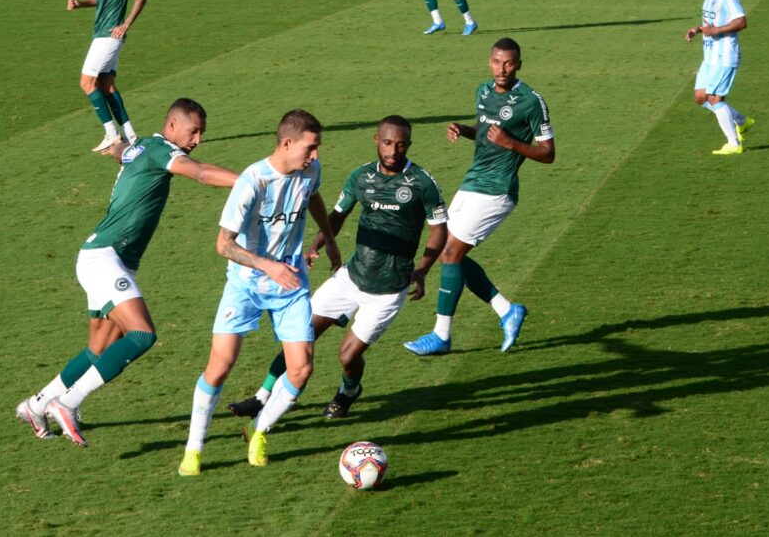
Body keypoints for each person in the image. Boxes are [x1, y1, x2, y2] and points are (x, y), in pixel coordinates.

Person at [15, 98, 238, 447]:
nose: (197, 140)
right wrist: (250, 181)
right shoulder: (161, 150)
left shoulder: (144, 145)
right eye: (194, 131)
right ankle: (68, 403)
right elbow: (200, 172)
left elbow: (124, 154)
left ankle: (36, 405)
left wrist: (117, 147)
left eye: (201, 134)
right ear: (173, 124)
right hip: (105, 258)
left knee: (100, 348)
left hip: (99, 255)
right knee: (142, 334)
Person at [227, 115, 448, 422]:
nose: (393, 150)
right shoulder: (360, 177)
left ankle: (348, 391)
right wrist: (317, 245)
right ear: (376, 141)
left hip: (387, 290)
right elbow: (337, 215)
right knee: (301, 336)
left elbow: (440, 230)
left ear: (408, 144)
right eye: (387, 142)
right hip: (350, 277)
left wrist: (422, 269)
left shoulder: (422, 183)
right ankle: (262, 396)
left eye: (400, 144)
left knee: (348, 355)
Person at [179, 110, 342, 476]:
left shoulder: (310, 171)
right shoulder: (253, 182)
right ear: (287, 143)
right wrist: (267, 265)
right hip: (246, 284)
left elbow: (312, 197)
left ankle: (259, 429)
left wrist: (328, 240)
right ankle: (194, 448)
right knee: (219, 367)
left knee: (301, 369)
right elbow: (223, 245)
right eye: (310, 148)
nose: (315, 156)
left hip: (290, 283)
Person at [403, 38, 554, 357]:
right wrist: (464, 128)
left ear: (519, 64)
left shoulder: (531, 101)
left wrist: (511, 142)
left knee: (452, 253)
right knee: (450, 252)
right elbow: (486, 131)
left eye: (509, 63)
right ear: (489, 62)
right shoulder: (483, 92)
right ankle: (507, 311)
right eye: (497, 62)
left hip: (498, 190)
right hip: (472, 182)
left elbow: (548, 153)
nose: (502, 69)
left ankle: (441, 335)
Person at [68, 0, 147, 152]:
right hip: (100, 32)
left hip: (110, 36)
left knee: (86, 83)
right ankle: (131, 136)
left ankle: (112, 134)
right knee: (106, 85)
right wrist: (81, 3)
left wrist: (126, 24)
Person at [685, 0, 754, 156]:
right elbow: (713, 21)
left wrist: (715, 30)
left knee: (715, 99)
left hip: (725, 55)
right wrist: (698, 29)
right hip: (710, 55)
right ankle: (742, 121)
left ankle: (734, 144)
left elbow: (741, 22)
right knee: (700, 97)